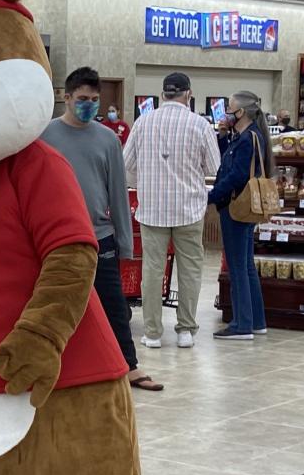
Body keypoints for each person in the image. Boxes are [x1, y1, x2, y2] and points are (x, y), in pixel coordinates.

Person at [42, 67, 162, 391]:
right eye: (82, 99)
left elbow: (117, 193)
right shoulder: (45, 136)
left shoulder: (108, 138)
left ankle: (130, 365)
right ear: (66, 98)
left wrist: (125, 243)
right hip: (56, 238)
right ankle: (57, 367)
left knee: (114, 305)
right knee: (58, 305)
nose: (90, 105)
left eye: (95, 100)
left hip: (100, 236)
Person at [124, 72, 221, 349]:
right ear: (188, 94)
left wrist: (144, 183)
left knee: (152, 270)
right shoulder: (199, 125)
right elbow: (215, 169)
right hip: (189, 210)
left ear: (163, 93)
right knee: (190, 270)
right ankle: (186, 331)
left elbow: (126, 166)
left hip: (152, 210)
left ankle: (153, 333)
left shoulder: (143, 122)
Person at [208, 91, 270, 341]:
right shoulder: (248, 136)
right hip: (243, 207)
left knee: (237, 266)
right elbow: (229, 163)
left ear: (241, 112)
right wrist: (223, 137)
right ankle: (256, 321)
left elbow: (236, 175)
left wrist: (212, 196)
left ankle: (242, 324)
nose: (226, 113)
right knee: (245, 265)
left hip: (236, 207)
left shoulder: (248, 139)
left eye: (230, 108)